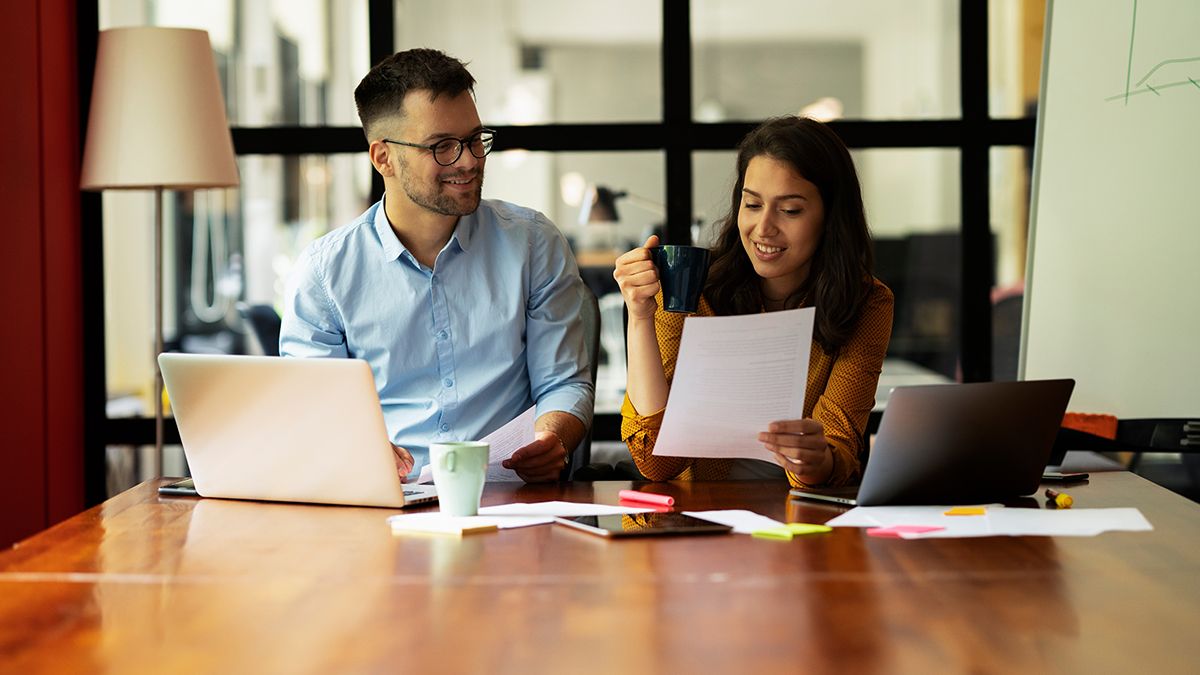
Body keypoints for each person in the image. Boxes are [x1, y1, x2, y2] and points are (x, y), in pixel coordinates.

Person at [280, 48, 593, 483]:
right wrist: (352, 446)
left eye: (474, 139)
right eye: (442, 146)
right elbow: (315, 413)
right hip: (384, 501)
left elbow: (564, 383)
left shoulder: (533, 243)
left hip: (510, 498)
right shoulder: (324, 274)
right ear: (383, 158)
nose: (469, 160)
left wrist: (552, 437)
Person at [614, 116, 893, 487]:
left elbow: (838, 448)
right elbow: (656, 462)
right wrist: (639, 317)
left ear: (830, 217)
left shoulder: (866, 301)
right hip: (702, 512)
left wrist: (815, 459)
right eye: (752, 205)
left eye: (790, 210)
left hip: (799, 513)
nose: (763, 229)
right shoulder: (691, 287)